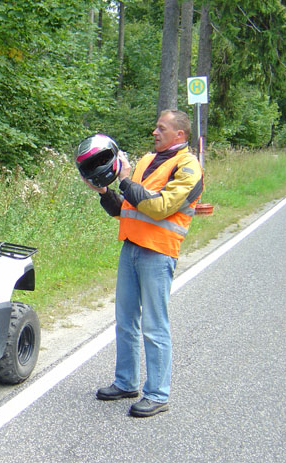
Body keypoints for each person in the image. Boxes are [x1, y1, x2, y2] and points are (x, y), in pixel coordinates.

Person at [84, 110, 203, 417]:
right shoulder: (147, 161)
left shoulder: (189, 167)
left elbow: (161, 207)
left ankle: (158, 393)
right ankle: (126, 382)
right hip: (131, 248)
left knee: (154, 326)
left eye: (161, 128)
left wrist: (124, 180)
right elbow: (125, 208)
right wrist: (104, 191)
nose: (154, 131)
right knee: (124, 320)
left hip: (158, 253)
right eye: (155, 127)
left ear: (179, 134)